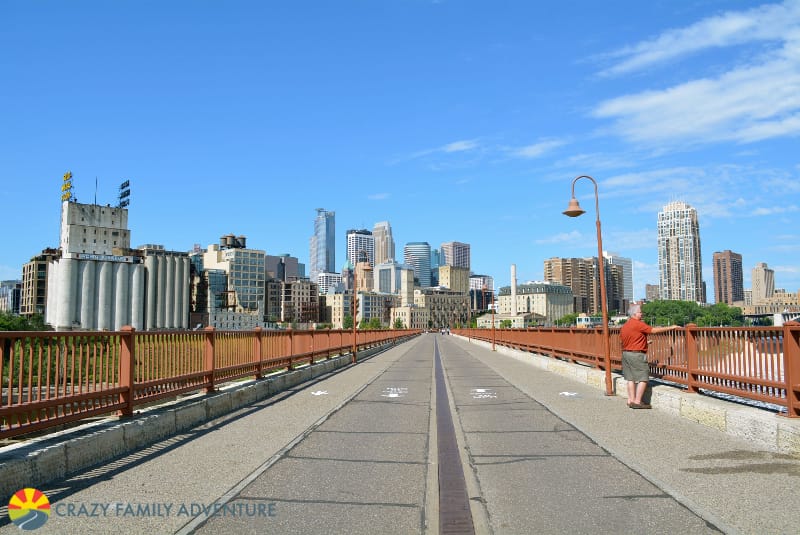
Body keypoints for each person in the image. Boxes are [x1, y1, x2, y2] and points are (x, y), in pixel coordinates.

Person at [620, 304, 678, 409]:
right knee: (643, 378)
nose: (642, 314)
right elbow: (653, 331)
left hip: (626, 354)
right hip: (636, 355)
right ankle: (637, 402)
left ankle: (631, 400)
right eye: (640, 312)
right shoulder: (638, 324)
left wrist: (645, 343)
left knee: (630, 378)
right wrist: (672, 327)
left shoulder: (625, 325)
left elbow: (631, 339)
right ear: (634, 314)